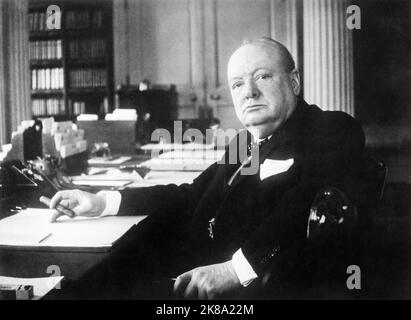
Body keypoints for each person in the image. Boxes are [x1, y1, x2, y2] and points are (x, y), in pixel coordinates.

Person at [49, 37, 365, 299]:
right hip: (185, 265)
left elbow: (305, 205)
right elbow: (190, 194)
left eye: (263, 77)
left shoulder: (331, 127)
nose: (249, 92)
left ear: (294, 81)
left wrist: (235, 269)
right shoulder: (244, 143)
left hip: (239, 291)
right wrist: (102, 201)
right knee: (82, 282)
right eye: (237, 84)